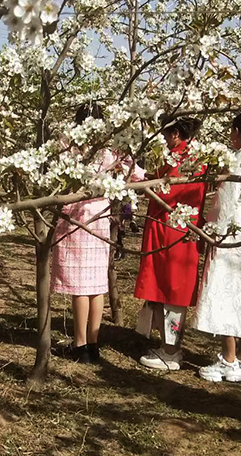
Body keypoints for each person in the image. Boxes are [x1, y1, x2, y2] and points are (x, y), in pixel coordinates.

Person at [51, 103, 144, 364]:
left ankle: (80, 345)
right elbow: (137, 174)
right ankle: (93, 344)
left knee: (80, 286)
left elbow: (58, 174)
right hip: (100, 216)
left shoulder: (70, 145)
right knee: (96, 284)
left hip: (77, 216)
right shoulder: (110, 148)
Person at [194, 112, 241, 382]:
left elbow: (225, 204)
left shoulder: (237, 159)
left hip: (232, 236)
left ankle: (228, 360)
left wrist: (212, 231)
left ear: (237, 131)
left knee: (228, 294)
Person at [134, 116, 207, 371]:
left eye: (166, 135)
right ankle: (167, 345)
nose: (164, 140)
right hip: (172, 231)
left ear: (175, 133)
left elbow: (166, 191)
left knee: (173, 290)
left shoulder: (186, 158)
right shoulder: (190, 155)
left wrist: (141, 181)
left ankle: (171, 351)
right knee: (166, 288)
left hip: (173, 232)